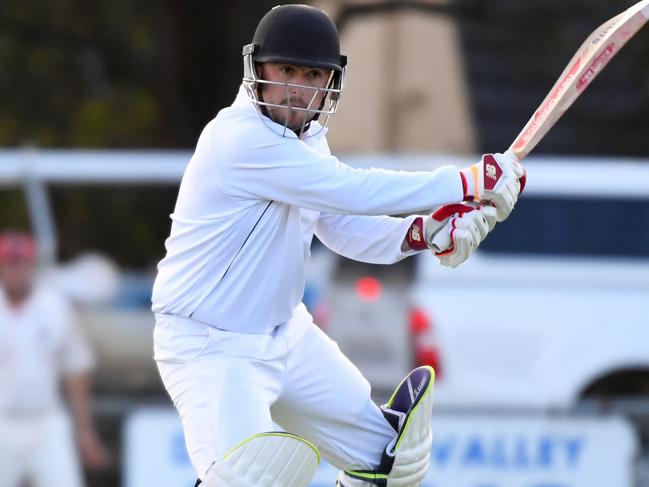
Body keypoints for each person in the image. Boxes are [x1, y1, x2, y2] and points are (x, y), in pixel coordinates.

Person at [151, 4, 524, 486]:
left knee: (390, 462)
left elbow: (340, 225)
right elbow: (352, 189)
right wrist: (470, 180)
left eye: (312, 74)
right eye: (286, 70)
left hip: (288, 337)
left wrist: (424, 233)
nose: (298, 88)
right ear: (257, 69)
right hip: (213, 346)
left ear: (331, 80)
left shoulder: (308, 140)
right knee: (243, 480)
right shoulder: (239, 139)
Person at [0, 231, 109, 487]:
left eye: (22, 263)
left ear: (32, 265)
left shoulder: (53, 305)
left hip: (46, 420)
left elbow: (76, 370)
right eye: (10, 263)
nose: (17, 270)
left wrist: (85, 432)